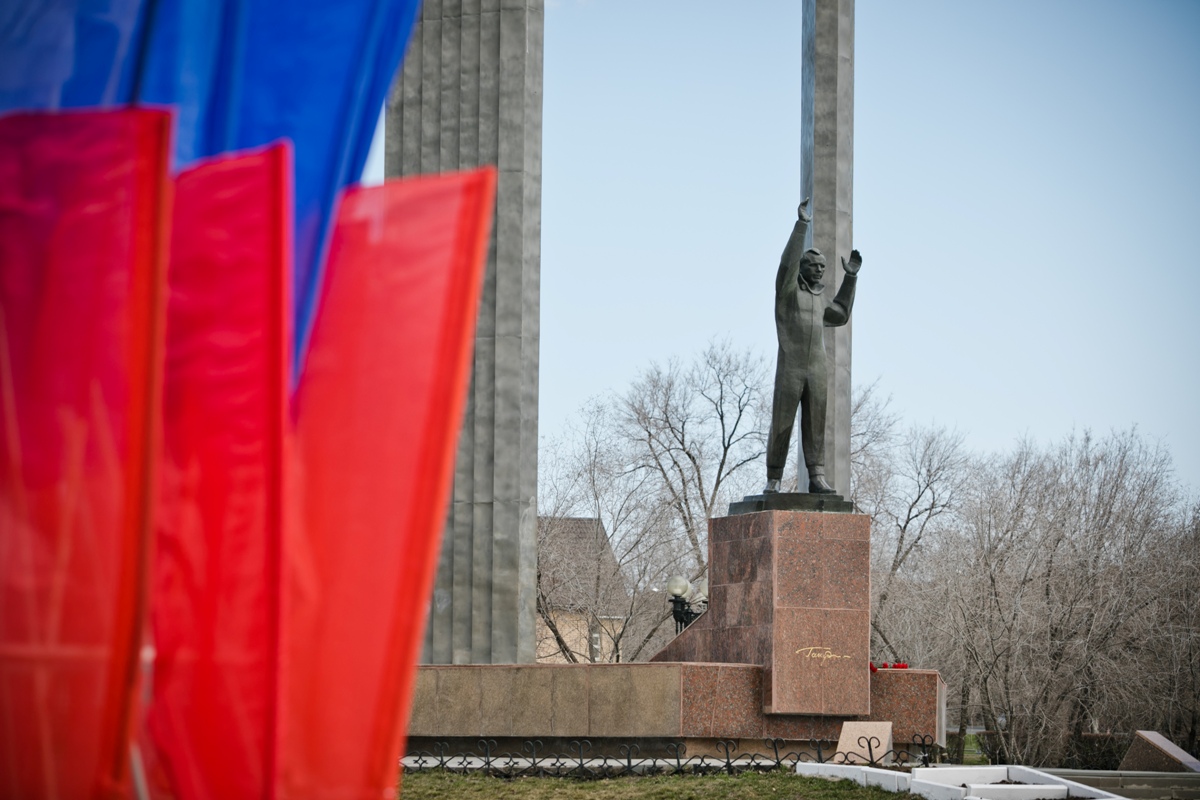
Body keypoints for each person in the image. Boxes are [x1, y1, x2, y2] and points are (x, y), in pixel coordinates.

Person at [764, 198, 861, 495]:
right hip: (791, 365)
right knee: (782, 422)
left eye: (822, 267)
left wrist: (851, 277)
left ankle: (817, 475)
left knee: (816, 422)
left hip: (817, 367)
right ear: (803, 268)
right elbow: (786, 266)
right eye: (814, 266)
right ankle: (774, 478)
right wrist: (801, 225)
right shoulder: (788, 292)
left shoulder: (820, 300)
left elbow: (841, 314)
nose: (819, 271)